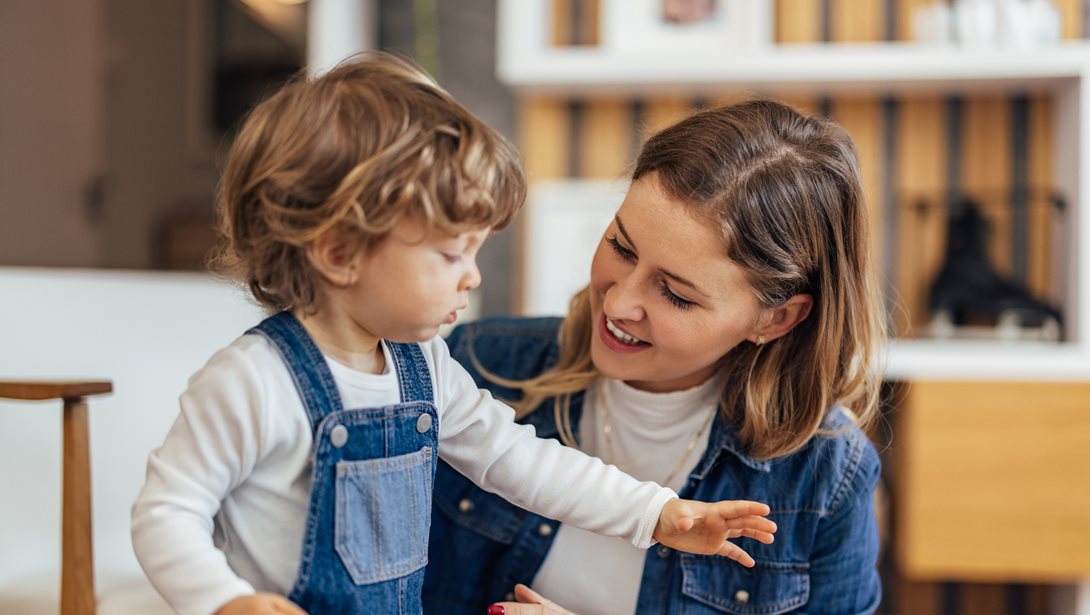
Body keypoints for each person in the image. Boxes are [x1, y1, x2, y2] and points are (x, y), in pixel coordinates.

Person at [130, 52, 778, 615]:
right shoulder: (252, 381)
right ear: (340, 253)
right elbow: (167, 512)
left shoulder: (424, 367)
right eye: (450, 254)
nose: (472, 276)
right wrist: (224, 599)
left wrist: (655, 512)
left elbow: (521, 460)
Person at [423, 99, 886, 615]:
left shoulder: (827, 475)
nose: (617, 304)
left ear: (775, 319)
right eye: (621, 247)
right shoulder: (476, 363)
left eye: (677, 295)